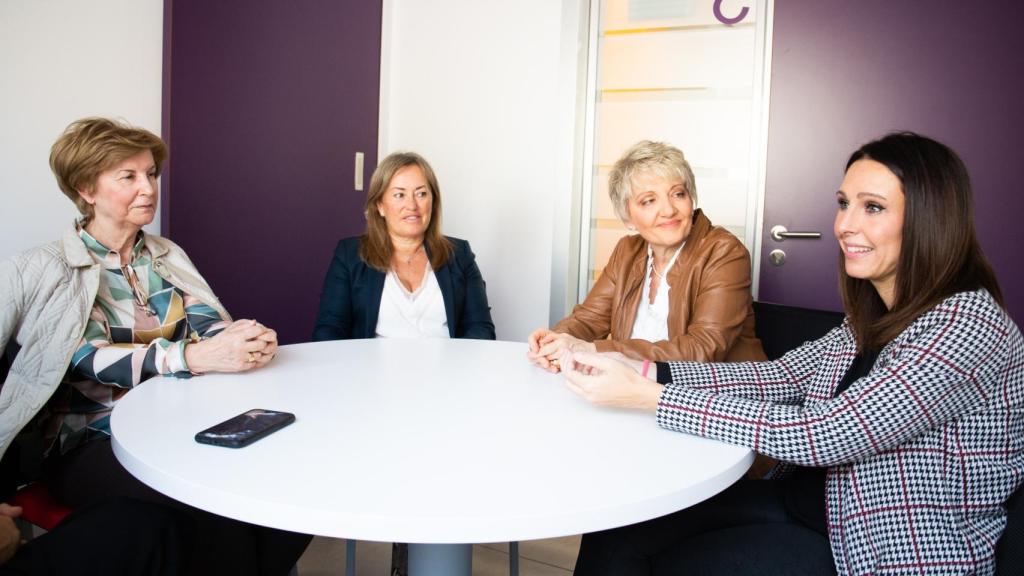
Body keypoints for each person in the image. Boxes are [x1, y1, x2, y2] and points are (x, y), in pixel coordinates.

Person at [561, 132, 1024, 575]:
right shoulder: (872, 315)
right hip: (815, 501)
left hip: (882, 541)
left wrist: (652, 397)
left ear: (930, 219)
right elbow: (781, 378)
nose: (845, 225)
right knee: (618, 530)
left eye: (873, 208)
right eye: (844, 204)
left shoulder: (968, 325)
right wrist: (646, 369)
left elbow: (832, 432)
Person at [0, 117, 309, 575]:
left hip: (184, 423)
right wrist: (187, 356)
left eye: (151, 173)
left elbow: (208, 324)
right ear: (86, 189)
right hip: (91, 441)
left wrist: (240, 340)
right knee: (211, 510)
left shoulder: (166, 254)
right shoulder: (36, 268)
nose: (148, 188)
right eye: (128, 176)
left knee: (289, 484)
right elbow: (81, 357)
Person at [527, 140, 764, 373]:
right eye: (649, 201)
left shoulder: (724, 252)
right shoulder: (627, 251)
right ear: (627, 217)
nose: (669, 210)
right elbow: (589, 319)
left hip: (717, 397)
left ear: (691, 199)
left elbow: (703, 349)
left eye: (678, 194)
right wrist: (555, 342)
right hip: (638, 388)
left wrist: (594, 350)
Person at [313, 151, 495, 341]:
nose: (412, 205)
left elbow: (481, 330)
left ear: (433, 201)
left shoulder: (460, 254)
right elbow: (329, 331)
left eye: (421, 194)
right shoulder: (349, 254)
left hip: (446, 369)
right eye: (400, 195)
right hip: (372, 369)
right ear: (380, 206)